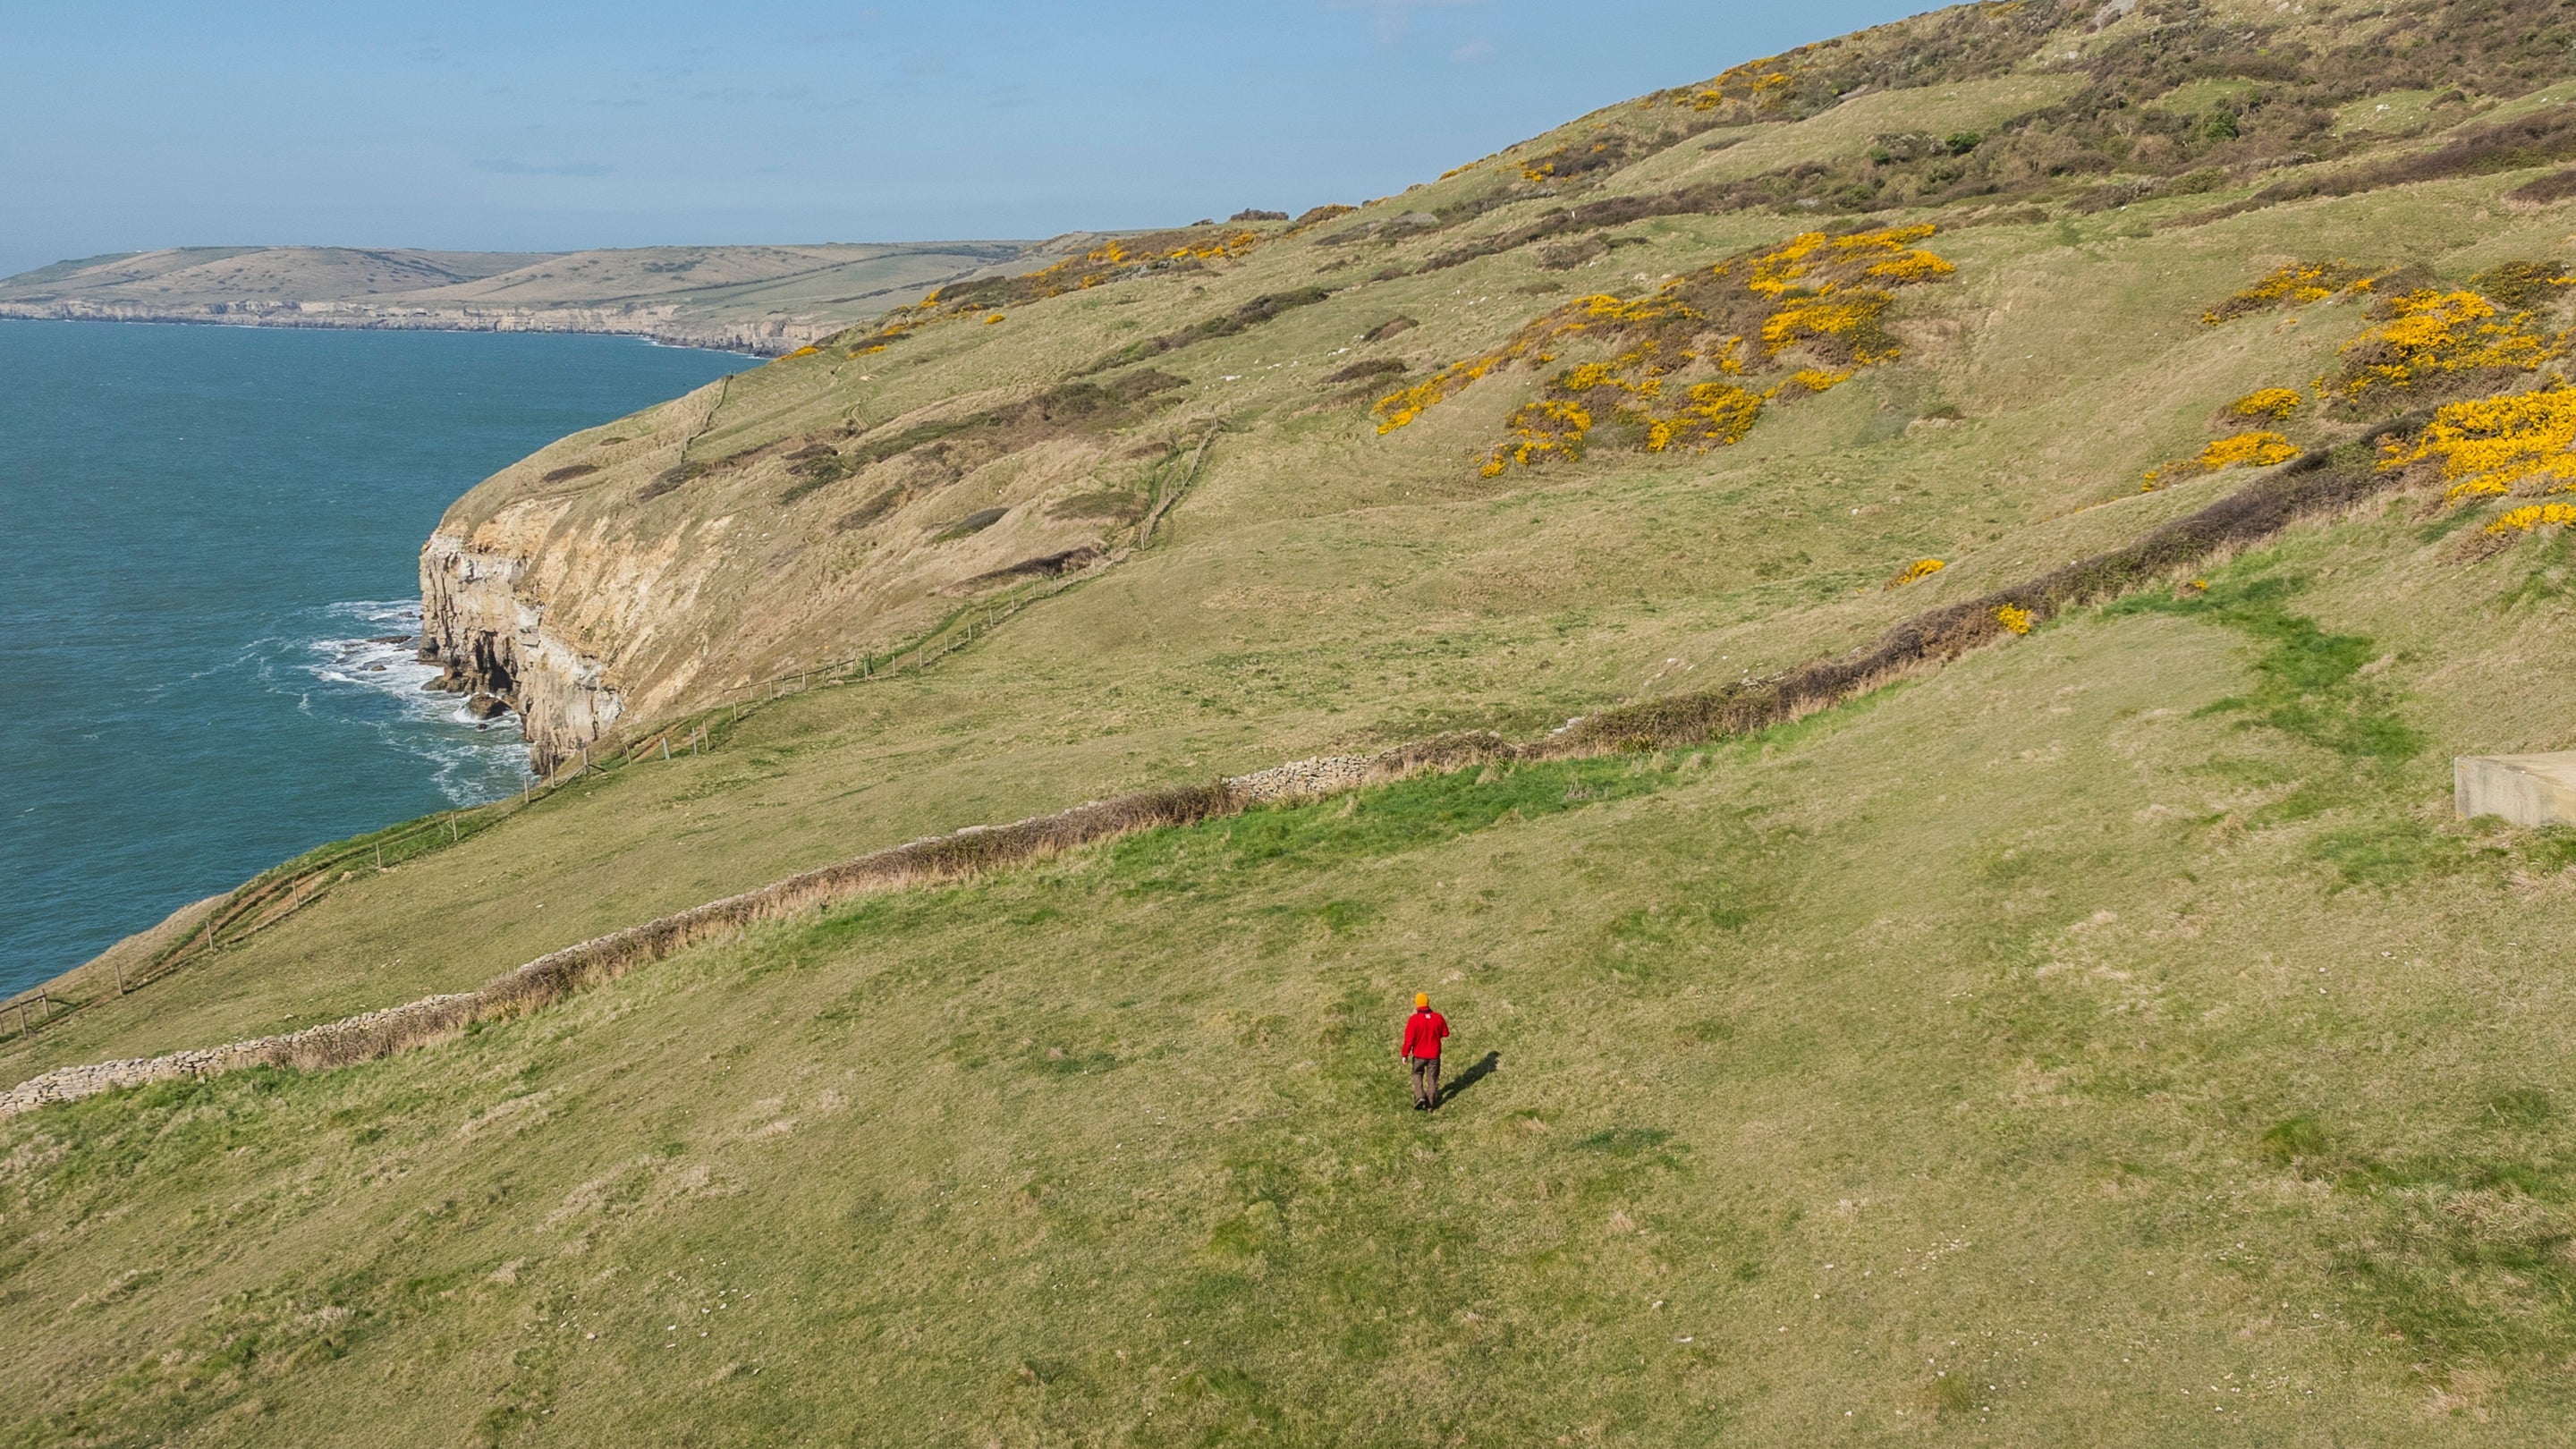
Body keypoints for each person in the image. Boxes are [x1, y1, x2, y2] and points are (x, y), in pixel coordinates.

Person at [1400, 992, 1450, 1110]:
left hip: (1419, 1055)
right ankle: (1430, 1105)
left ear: (1417, 1005)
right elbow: (1445, 1033)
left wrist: (1405, 1054)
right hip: (1434, 1055)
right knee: (1432, 1078)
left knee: (1417, 1073)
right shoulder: (1438, 1017)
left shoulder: (1414, 1020)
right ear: (1428, 1003)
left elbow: (1409, 1040)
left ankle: (1419, 1096)